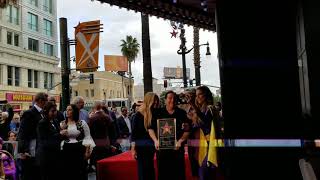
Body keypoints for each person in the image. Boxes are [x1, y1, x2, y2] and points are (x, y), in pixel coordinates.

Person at [148, 91, 191, 180]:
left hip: (177, 151)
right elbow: (150, 129)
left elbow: (187, 130)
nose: (172, 100)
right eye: (170, 98)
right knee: (163, 175)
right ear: (165, 100)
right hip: (162, 151)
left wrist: (180, 141)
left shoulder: (182, 113)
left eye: (174, 98)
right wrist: (155, 140)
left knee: (179, 174)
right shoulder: (157, 112)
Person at [186, 86, 223, 180]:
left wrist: (193, 106)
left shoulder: (211, 108)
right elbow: (195, 128)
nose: (197, 97)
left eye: (200, 95)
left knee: (204, 172)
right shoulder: (199, 110)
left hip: (210, 145)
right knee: (203, 173)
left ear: (206, 95)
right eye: (196, 95)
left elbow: (206, 122)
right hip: (200, 146)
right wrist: (188, 126)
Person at [60, 104, 95, 180]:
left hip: (79, 150)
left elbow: (87, 137)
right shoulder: (62, 124)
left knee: (80, 173)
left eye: (69, 110)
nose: (67, 111)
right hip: (66, 150)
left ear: (74, 112)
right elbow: (59, 138)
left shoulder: (82, 123)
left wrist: (87, 151)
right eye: (66, 109)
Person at [17, 92, 48, 180]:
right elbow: (22, 133)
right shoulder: (29, 113)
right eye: (46, 101)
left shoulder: (43, 113)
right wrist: (23, 150)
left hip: (39, 150)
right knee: (29, 174)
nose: (47, 103)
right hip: (30, 150)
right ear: (41, 101)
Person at [131, 92, 159, 180]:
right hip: (141, 148)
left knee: (150, 169)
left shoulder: (154, 114)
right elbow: (134, 134)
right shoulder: (137, 116)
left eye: (157, 101)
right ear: (148, 101)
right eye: (154, 101)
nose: (155, 103)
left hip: (151, 147)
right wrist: (133, 149)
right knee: (143, 171)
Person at [36, 101, 62, 180]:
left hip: (55, 155)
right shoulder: (42, 123)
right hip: (46, 157)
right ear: (47, 111)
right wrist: (61, 134)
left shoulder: (55, 121)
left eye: (55, 110)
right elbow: (45, 141)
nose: (55, 113)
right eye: (52, 111)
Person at [88, 101, 112, 170]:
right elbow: (111, 130)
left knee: (98, 164)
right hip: (106, 142)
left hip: (96, 144)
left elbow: (90, 132)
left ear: (94, 108)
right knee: (106, 163)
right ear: (101, 107)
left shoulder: (92, 118)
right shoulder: (107, 117)